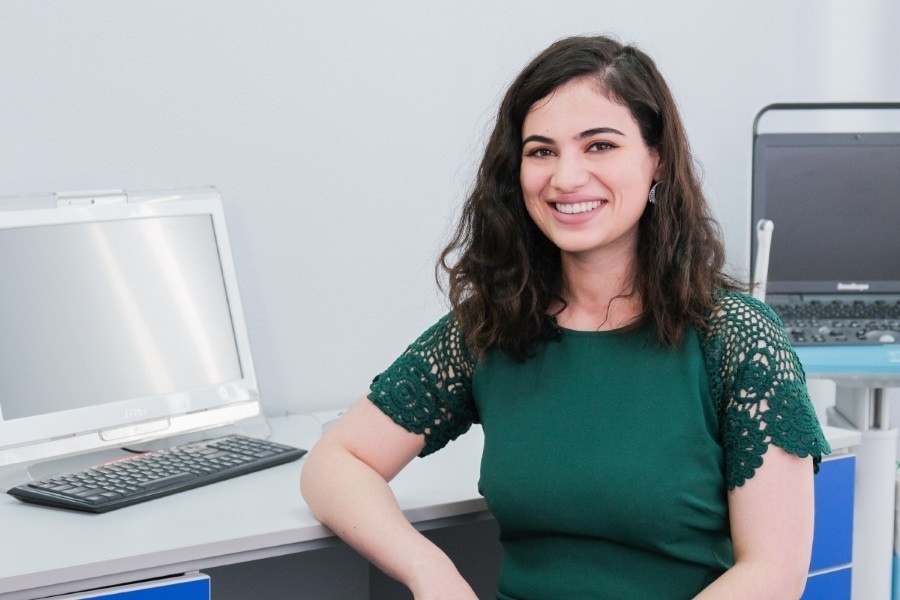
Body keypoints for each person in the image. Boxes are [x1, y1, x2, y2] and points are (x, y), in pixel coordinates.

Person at [300, 34, 829, 600]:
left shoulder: (738, 338)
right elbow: (335, 462)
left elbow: (774, 571)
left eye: (599, 145)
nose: (566, 178)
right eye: (541, 151)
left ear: (657, 159)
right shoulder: (494, 326)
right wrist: (431, 571)